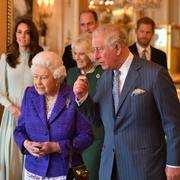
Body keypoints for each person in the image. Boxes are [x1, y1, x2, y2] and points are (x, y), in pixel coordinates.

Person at [73, 24, 180, 180]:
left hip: (145, 169)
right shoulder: (104, 77)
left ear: (117, 48)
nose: (95, 56)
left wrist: (174, 163)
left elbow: (174, 123)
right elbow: (98, 120)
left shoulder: (155, 74)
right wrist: (82, 98)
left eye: (100, 49)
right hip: (109, 169)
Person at [13, 51, 93, 179]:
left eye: (43, 77)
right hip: (33, 170)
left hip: (64, 171)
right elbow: (19, 130)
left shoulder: (72, 96)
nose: (37, 82)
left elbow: (87, 136)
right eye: (35, 76)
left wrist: (57, 147)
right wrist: (26, 143)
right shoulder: (29, 94)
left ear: (57, 76)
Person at [0, 17, 43, 180]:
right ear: (15, 35)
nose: (22, 36)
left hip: (34, 115)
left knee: (30, 159)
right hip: (12, 115)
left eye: (26, 33)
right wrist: (11, 108)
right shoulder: (6, 58)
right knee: (11, 160)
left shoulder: (39, 58)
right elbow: (0, 90)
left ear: (32, 36)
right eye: (19, 32)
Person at [66, 33, 104, 180]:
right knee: (79, 176)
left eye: (82, 53)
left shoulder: (102, 74)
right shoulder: (71, 73)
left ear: (91, 54)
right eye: (75, 53)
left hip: (95, 137)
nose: (77, 57)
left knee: (91, 176)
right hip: (74, 138)